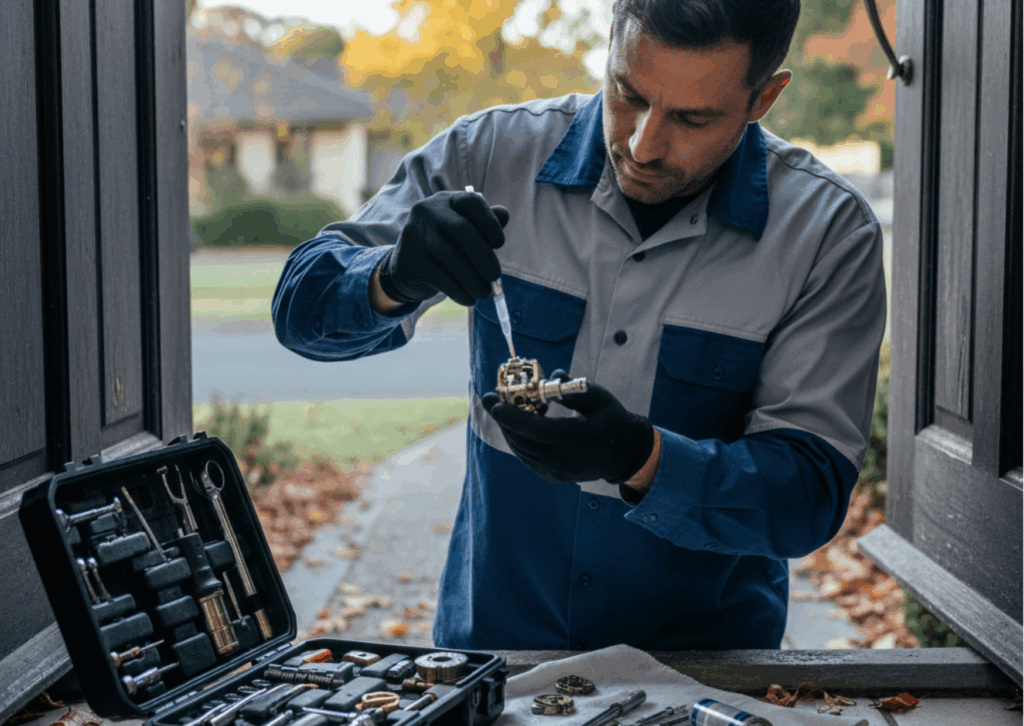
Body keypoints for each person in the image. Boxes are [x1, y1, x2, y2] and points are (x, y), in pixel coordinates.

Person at [272, 0, 887, 651]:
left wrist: (643, 460)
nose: (643, 144)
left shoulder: (826, 234)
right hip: (492, 654)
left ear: (764, 97)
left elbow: (808, 496)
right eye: (628, 93)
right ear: (613, 34)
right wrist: (390, 275)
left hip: (705, 671)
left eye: (692, 118)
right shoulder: (487, 157)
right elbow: (299, 311)